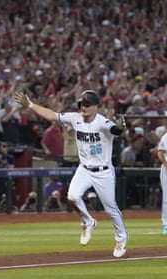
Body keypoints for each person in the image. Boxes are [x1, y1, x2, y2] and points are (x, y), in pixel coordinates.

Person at [14, 89, 129, 258]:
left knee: (110, 208)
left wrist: (120, 128)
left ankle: (121, 239)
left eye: (88, 104)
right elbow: (52, 115)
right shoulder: (75, 118)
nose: (84, 107)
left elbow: (115, 130)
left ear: (96, 106)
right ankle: (88, 221)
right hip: (84, 168)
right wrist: (30, 105)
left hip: (103, 171)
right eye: (82, 104)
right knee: (73, 197)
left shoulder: (102, 122)